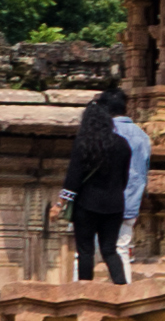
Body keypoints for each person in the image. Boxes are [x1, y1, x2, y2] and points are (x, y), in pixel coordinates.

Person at [61, 85, 151, 283]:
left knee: (85, 252)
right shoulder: (129, 141)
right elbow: (128, 176)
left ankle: (83, 293)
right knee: (113, 251)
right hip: (118, 204)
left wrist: (63, 202)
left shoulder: (86, 141)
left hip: (88, 204)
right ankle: (122, 291)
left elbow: (74, 177)